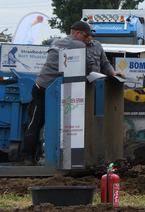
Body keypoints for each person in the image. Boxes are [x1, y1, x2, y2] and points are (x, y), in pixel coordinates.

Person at [21, 21, 93, 165]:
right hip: (54, 89)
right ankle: (60, 156)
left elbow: (51, 44)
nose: (87, 39)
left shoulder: (56, 41)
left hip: (40, 84)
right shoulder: (78, 45)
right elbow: (89, 65)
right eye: (85, 36)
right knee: (62, 122)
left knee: (35, 121)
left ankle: (28, 156)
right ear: (77, 33)